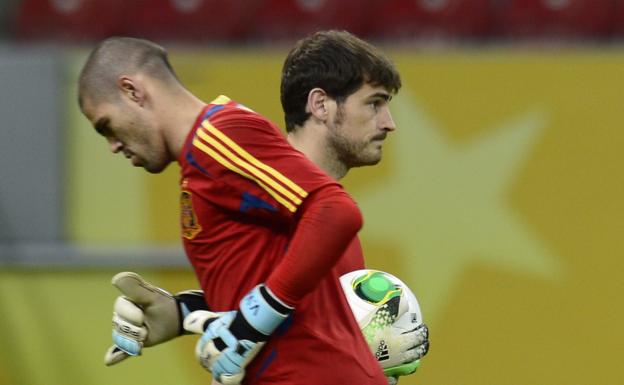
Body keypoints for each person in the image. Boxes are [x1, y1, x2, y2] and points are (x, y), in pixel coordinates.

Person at [78, 31, 428, 385]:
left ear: (133, 91)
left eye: (107, 125)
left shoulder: (217, 140)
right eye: (374, 103)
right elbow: (284, 296)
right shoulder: (216, 155)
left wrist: (250, 322)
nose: (112, 145)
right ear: (319, 104)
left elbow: (333, 218)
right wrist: (183, 314)